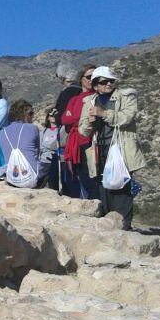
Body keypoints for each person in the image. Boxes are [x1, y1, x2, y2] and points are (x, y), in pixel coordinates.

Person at [79, 66, 146, 230]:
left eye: (111, 80)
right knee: (104, 190)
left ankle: (124, 227)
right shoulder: (89, 102)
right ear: (95, 86)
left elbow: (127, 118)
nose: (109, 84)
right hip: (99, 151)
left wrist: (104, 114)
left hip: (121, 150)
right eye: (104, 81)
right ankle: (110, 227)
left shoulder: (126, 96)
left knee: (122, 190)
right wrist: (90, 121)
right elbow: (83, 130)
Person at [62, 64, 99, 199]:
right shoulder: (74, 99)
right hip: (75, 144)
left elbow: (71, 118)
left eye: (95, 77)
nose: (92, 80)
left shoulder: (97, 97)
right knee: (81, 179)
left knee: (92, 181)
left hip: (90, 143)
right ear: (81, 79)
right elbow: (64, 119)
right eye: (89, 77)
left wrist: (74, 117)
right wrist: (83, 117)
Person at [0, 99, 49, 188]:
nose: (32, 116)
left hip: (12, 179)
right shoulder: (32, 128)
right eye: (30, 114)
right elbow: (36, 153)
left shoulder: (2, 132)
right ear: (22, 115)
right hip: (33, 178)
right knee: (50, 166)